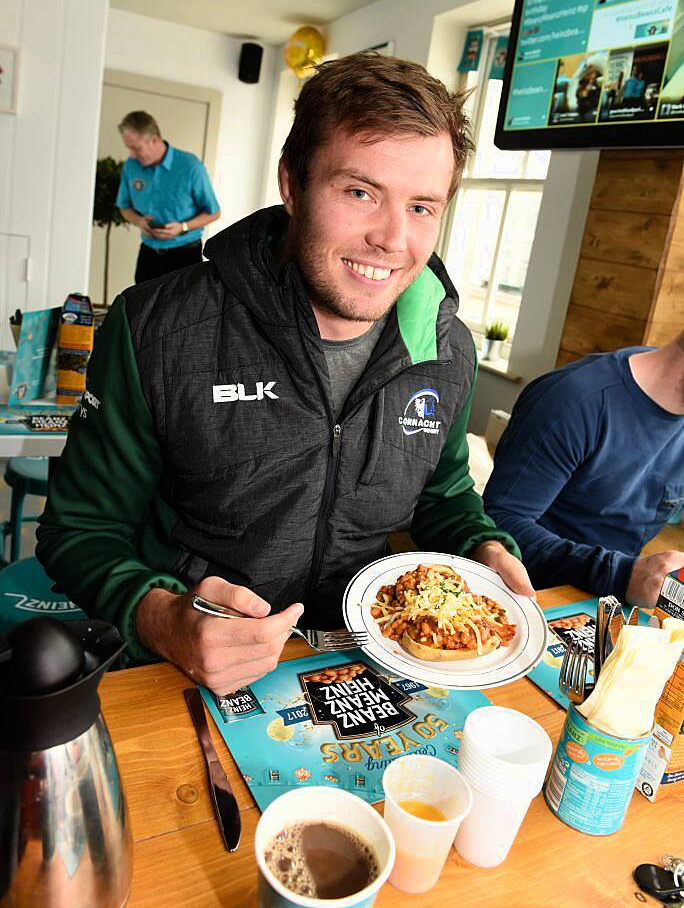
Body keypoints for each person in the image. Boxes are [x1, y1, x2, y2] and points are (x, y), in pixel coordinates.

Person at [37, 53, 533, 695]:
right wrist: (159, 618)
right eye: (360, 192)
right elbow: (79, 529)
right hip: (180, 675)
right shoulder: (155, 328)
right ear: (293, 184)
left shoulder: (446, 348)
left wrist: (486, 550)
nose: (392, 238)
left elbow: (442, 496)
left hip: (363, 674)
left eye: (422, 207)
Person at [483, 334, 684, 608]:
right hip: (528, 597)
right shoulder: (573, 400)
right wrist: (621, 574)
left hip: (612, 602)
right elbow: (497, 522)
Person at [116, 111, 221, 283]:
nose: (132, 155)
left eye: (136, 148)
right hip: (148, 254)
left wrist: (183, 227)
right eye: (129, 148)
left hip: (185, 256)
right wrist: (139, 221)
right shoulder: (131, 166)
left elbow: (214, 212)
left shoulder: (190, 166)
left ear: (154, 140)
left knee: (183, 310)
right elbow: (124, 207)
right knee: (141, 309)